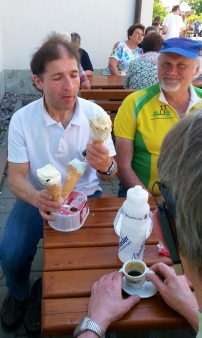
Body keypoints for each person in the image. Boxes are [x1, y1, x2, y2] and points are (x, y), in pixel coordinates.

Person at [0, 34, 117, 335]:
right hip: (38, 198)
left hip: (86, 197)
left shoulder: (96, 117)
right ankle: (21, 295)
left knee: (88, 262)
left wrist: (107, 165)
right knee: (10, 254)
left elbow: (109, 174)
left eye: (74, 75)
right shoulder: (23, 120)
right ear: (38, 81)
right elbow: (16, 177)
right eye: (58, 77)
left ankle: (49, 295)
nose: (69, 86)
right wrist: (37, 198)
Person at [74, 108, 202, 338]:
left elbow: (111, 171)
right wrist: (192, 310)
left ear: (162, 227)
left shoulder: (93, 111)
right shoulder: (135, 104)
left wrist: (95, 324)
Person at [114, 37, 202, 197]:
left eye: (181, 65)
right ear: (158, 66)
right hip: (143, 195)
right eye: (166, 64)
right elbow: (122, 165)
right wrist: (150, 203)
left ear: (196, 70)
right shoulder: (134, 103)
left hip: (193, 200)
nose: (172, 71)